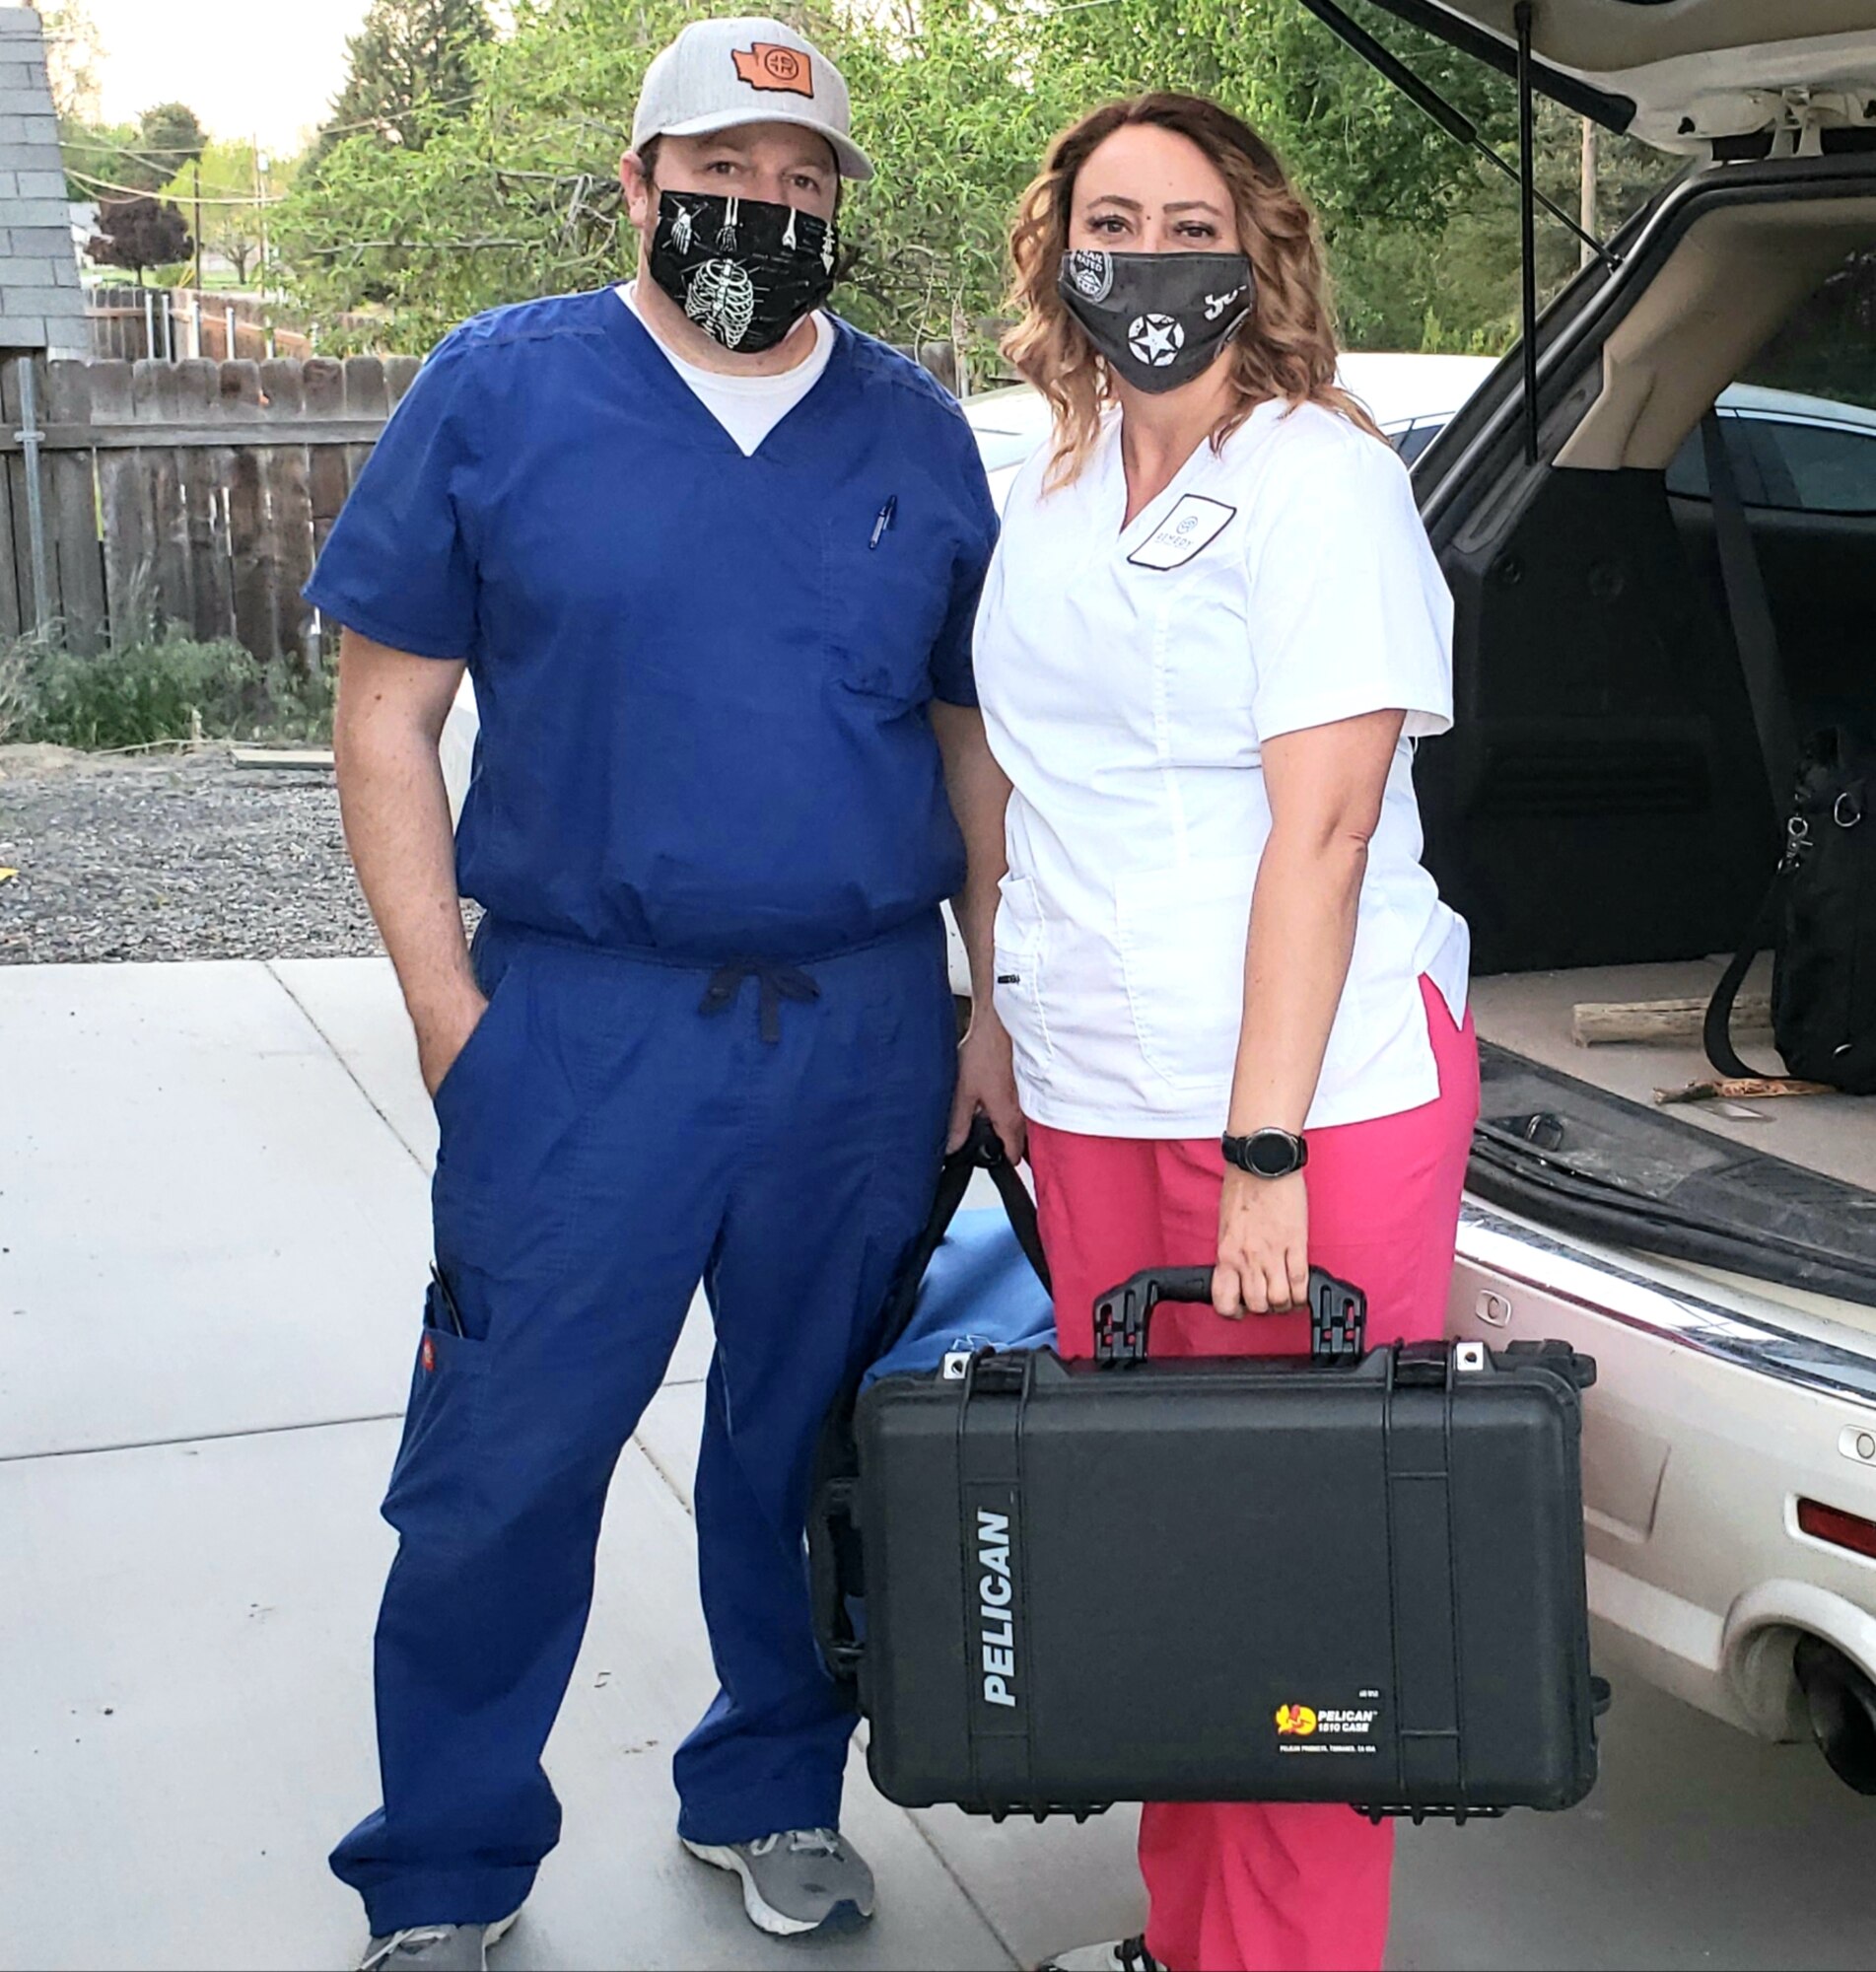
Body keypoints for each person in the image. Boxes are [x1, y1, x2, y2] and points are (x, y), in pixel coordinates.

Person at [311, 18, 1020, 1969]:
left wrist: (988, 1003)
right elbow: (386, 715)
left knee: (810, 1453)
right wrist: (454, 1015)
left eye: (803, 184)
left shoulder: (908, 430)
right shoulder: (500, 391)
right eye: (721, 172)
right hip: (583, 1026)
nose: (761, 210)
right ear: (635, 182)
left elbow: (972, 738)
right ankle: (447, 1865)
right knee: (503, 1459)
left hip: (861, 1029)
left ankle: (772, 1790)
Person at [970, 94, 1480, 1972]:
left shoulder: (1318, 478)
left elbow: (1326, 827)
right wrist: (1007, 1014)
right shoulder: (1057, 475)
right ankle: (1191, 1940)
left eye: (1193, 220)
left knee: (1300, 1575)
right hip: (1104, 1084)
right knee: (1165, 1544)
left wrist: (1264, 1152)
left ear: (1254, 252)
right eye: (1115, 217)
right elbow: (1030, 776)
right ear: (1063, 251)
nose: (1152, 254)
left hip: (1308, 1098)